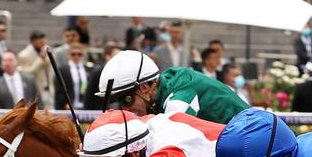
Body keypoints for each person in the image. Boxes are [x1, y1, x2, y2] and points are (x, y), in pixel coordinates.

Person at [95, 49, 247, 124]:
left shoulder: (178, 100)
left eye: (126, 100)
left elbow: (169, 140)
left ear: (145, 87)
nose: (125, 109)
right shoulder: (167, 83)